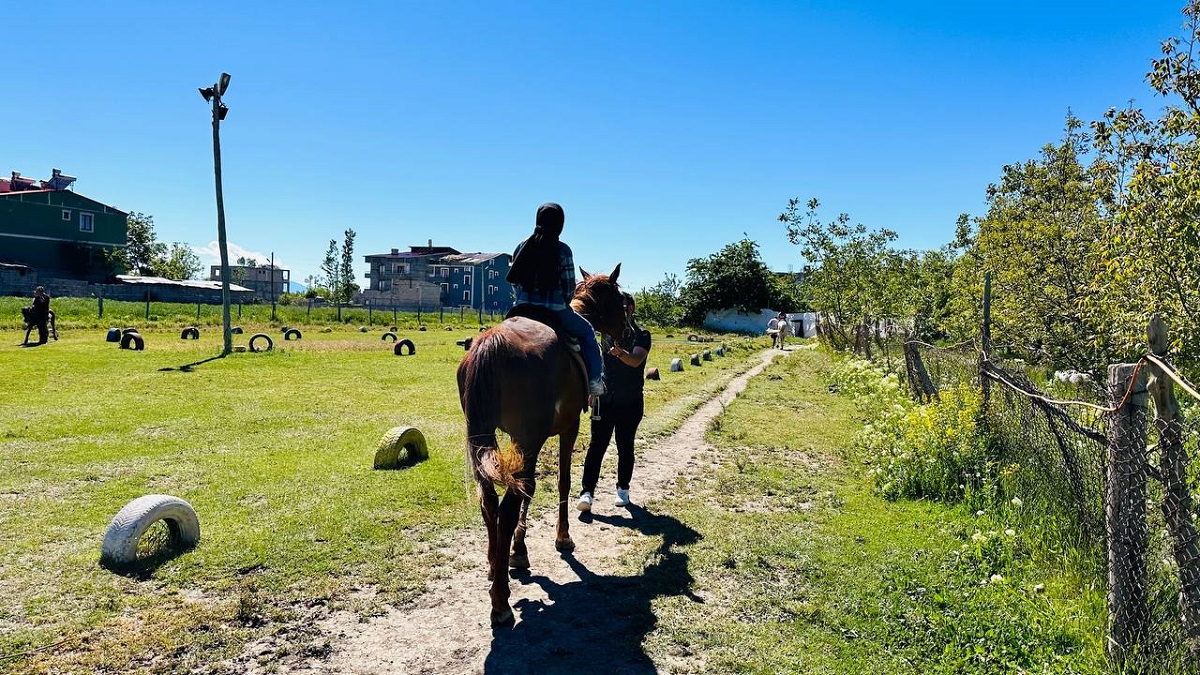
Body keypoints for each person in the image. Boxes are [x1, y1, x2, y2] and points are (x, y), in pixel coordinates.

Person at [506, 202, 605, 396]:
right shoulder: (563, 250)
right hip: (555, 309)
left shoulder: (521, 246)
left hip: (521, 308)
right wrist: (562, 301)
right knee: (588, 334)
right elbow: (568, 288)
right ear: (561, 224)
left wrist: (524, 297)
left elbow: (515, 280)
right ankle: (595, 382)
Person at [577, 292, 651, 510]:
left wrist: (620, 353)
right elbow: (597, 362)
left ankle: (623, 490)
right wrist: (593, 389)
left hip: (630, 401)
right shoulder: (606, 334)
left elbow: (636, 360)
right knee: (596, 446)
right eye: (621, 305)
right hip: (604, 399)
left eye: (627, 305)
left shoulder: (642, 334)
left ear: (632, 309)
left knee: (624, 446)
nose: (624, 308)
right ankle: (587, 493)